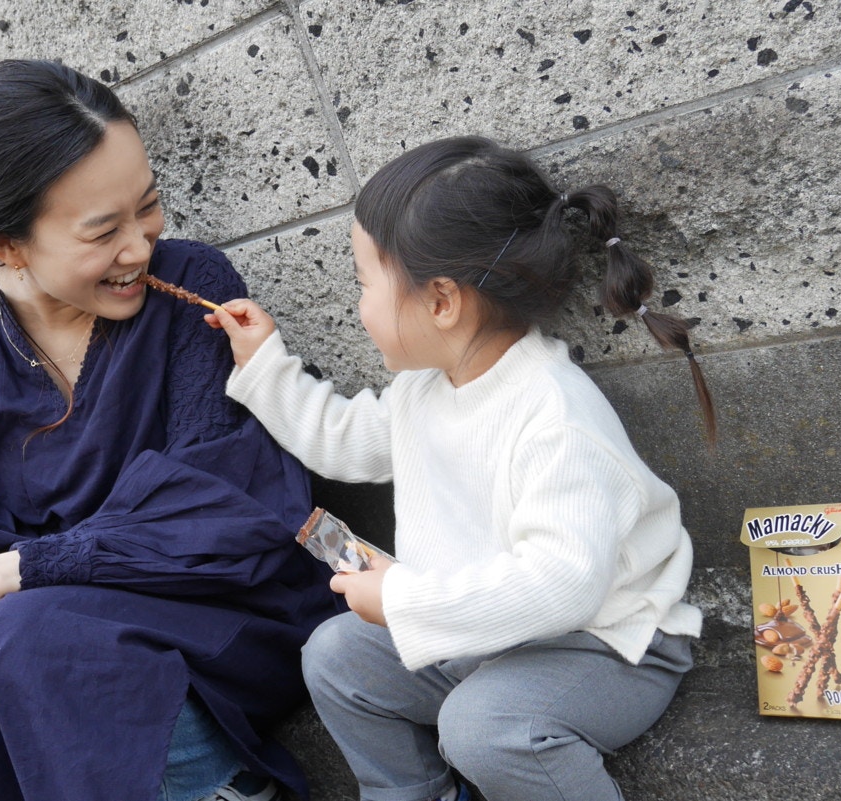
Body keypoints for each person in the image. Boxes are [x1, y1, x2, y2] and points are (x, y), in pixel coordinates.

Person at [0, 59, 337, 801]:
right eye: (104, 230)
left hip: (201, 603)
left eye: (147, 207)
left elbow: (214, 505)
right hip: (24, 623)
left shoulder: (197, 285)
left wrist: (8, 571)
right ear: (6, 244)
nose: (140, 246)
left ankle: (223, 784)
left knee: (29, 642)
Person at [208, 136, 714, 801]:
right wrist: (264, 364)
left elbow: (563, 586)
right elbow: (346, 439)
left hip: (608, 641)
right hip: (484, 631)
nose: (358, 305)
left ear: (442, 300)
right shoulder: (429, 386)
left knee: (481, 725)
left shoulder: (552, 416)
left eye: (365, 282)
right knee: (333, 658)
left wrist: (401, 597)